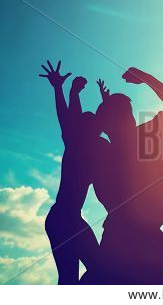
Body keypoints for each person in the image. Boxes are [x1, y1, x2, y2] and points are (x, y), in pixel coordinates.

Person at [90, 67, 163, 284]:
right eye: (126, 113)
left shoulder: (114, 149)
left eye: (128, 111)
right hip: (130, 243)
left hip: (127, 244)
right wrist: (146, 78)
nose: (130, 117)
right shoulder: (143, 137)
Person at [39, 61, 101, 284]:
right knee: (69, 277)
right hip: (62, 219)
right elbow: (67, 117)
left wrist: (74, 91)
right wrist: (65, 90)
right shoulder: (75, 144)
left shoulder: (93, 153)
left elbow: (73, 119)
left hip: (72, 218)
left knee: (100, 269)